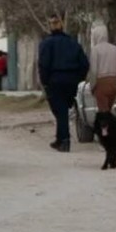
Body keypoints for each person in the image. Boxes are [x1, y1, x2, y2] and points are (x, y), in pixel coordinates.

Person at [38, 15, 89, 153]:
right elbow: (84, 63)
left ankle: (64, 140)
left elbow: (43, 64)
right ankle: (60, 138)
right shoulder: (73, 43)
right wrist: (79, 78)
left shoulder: (46, 43)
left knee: (60, 111)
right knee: (63, 111)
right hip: (72, 80)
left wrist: (45, 82)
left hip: (55, 80)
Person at [88, 24, 116, 115]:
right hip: (114, 81)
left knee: (103, 111)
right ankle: (110, 127)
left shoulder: (95, 50)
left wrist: (92, 86)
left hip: (101, 82)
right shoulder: (115, 49)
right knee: (109, 109)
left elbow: (94, 71)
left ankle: (104, 129)